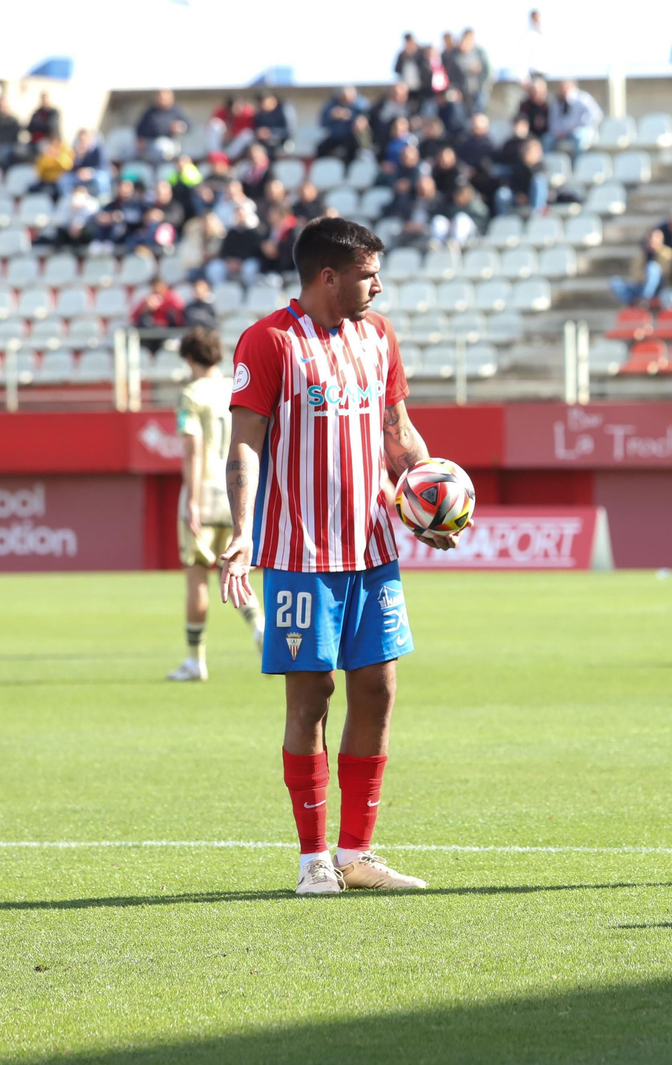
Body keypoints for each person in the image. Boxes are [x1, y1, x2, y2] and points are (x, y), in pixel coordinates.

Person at [219, 217, 461, 896]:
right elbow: (245, 443)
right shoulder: (270, 341)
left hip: (374, 547)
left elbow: (398, 431)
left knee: (378, 689)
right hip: (301, 553)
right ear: (329, 276)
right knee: (313, 696)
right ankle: (313, 860)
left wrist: (428, 499)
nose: (377, 286)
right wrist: (242, 529)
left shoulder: (378, 337)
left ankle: (357, 854)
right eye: (367, 275)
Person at [165, 328, 263, 683]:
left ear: (189, 358)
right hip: (238, 492)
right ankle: (260, 626)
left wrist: (192, 502)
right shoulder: (234, 388)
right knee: (236, 568)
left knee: (197, 577)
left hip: (205, 493)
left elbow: (193, 450)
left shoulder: (191, 394)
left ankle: (195, 661)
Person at [546, 79, 602, 159]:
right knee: (547, 139)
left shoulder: (584, 98)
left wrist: (579, 125)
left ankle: (576, 164)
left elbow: (597, 115)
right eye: (561, 87)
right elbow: (553, 121)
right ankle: (547, 163)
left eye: (565, 87)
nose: (562, 90)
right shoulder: (557, 102)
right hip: (563, 133)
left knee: (579, 138)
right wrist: (558, 132)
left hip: (582, 131)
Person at [136, 89, 190, 163]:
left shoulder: (175, 111)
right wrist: (140, 139)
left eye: (163, 98)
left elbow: (188, 125)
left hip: (170, 143)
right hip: (150, 143)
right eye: (159, 97)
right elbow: (139, 128)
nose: (161, 99)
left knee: (162, 146)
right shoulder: (150, 111)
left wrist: (179, 127)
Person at [317, 86, 369, 163]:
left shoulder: (361, 105)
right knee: (321, 148)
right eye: (343, 98)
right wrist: (332, 116)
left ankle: (348, 168)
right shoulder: (332, 105)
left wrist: (350, 117)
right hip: (335, 136)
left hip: (353, 137)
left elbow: (367, 120)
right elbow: (323, 123)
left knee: (350, 149)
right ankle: (324, 168)